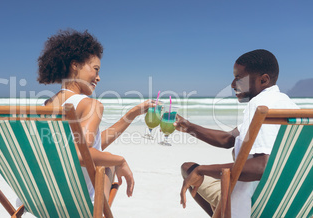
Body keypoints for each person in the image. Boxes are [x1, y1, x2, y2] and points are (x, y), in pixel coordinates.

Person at [175, 49, 299, 217]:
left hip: (252, 205)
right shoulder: (288, 106)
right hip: (289, 202)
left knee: (190, 171)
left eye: (239, 78)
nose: (233, 84)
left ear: (264, 80)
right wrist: (189, 127)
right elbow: (228, 139)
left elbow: (261, 166)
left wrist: (202, 170)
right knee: (191, 168)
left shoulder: (259, 106)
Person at [37, 29, 153, 202]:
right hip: (77, 203)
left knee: (106, 159)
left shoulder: (44, 107)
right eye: (95, 69)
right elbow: (80, 154)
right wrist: (119, 161)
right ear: (74, 65)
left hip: (42, 199)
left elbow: (88, 145)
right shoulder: (90, 105)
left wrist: (132, 114)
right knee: (108, 166)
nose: (98, 78)